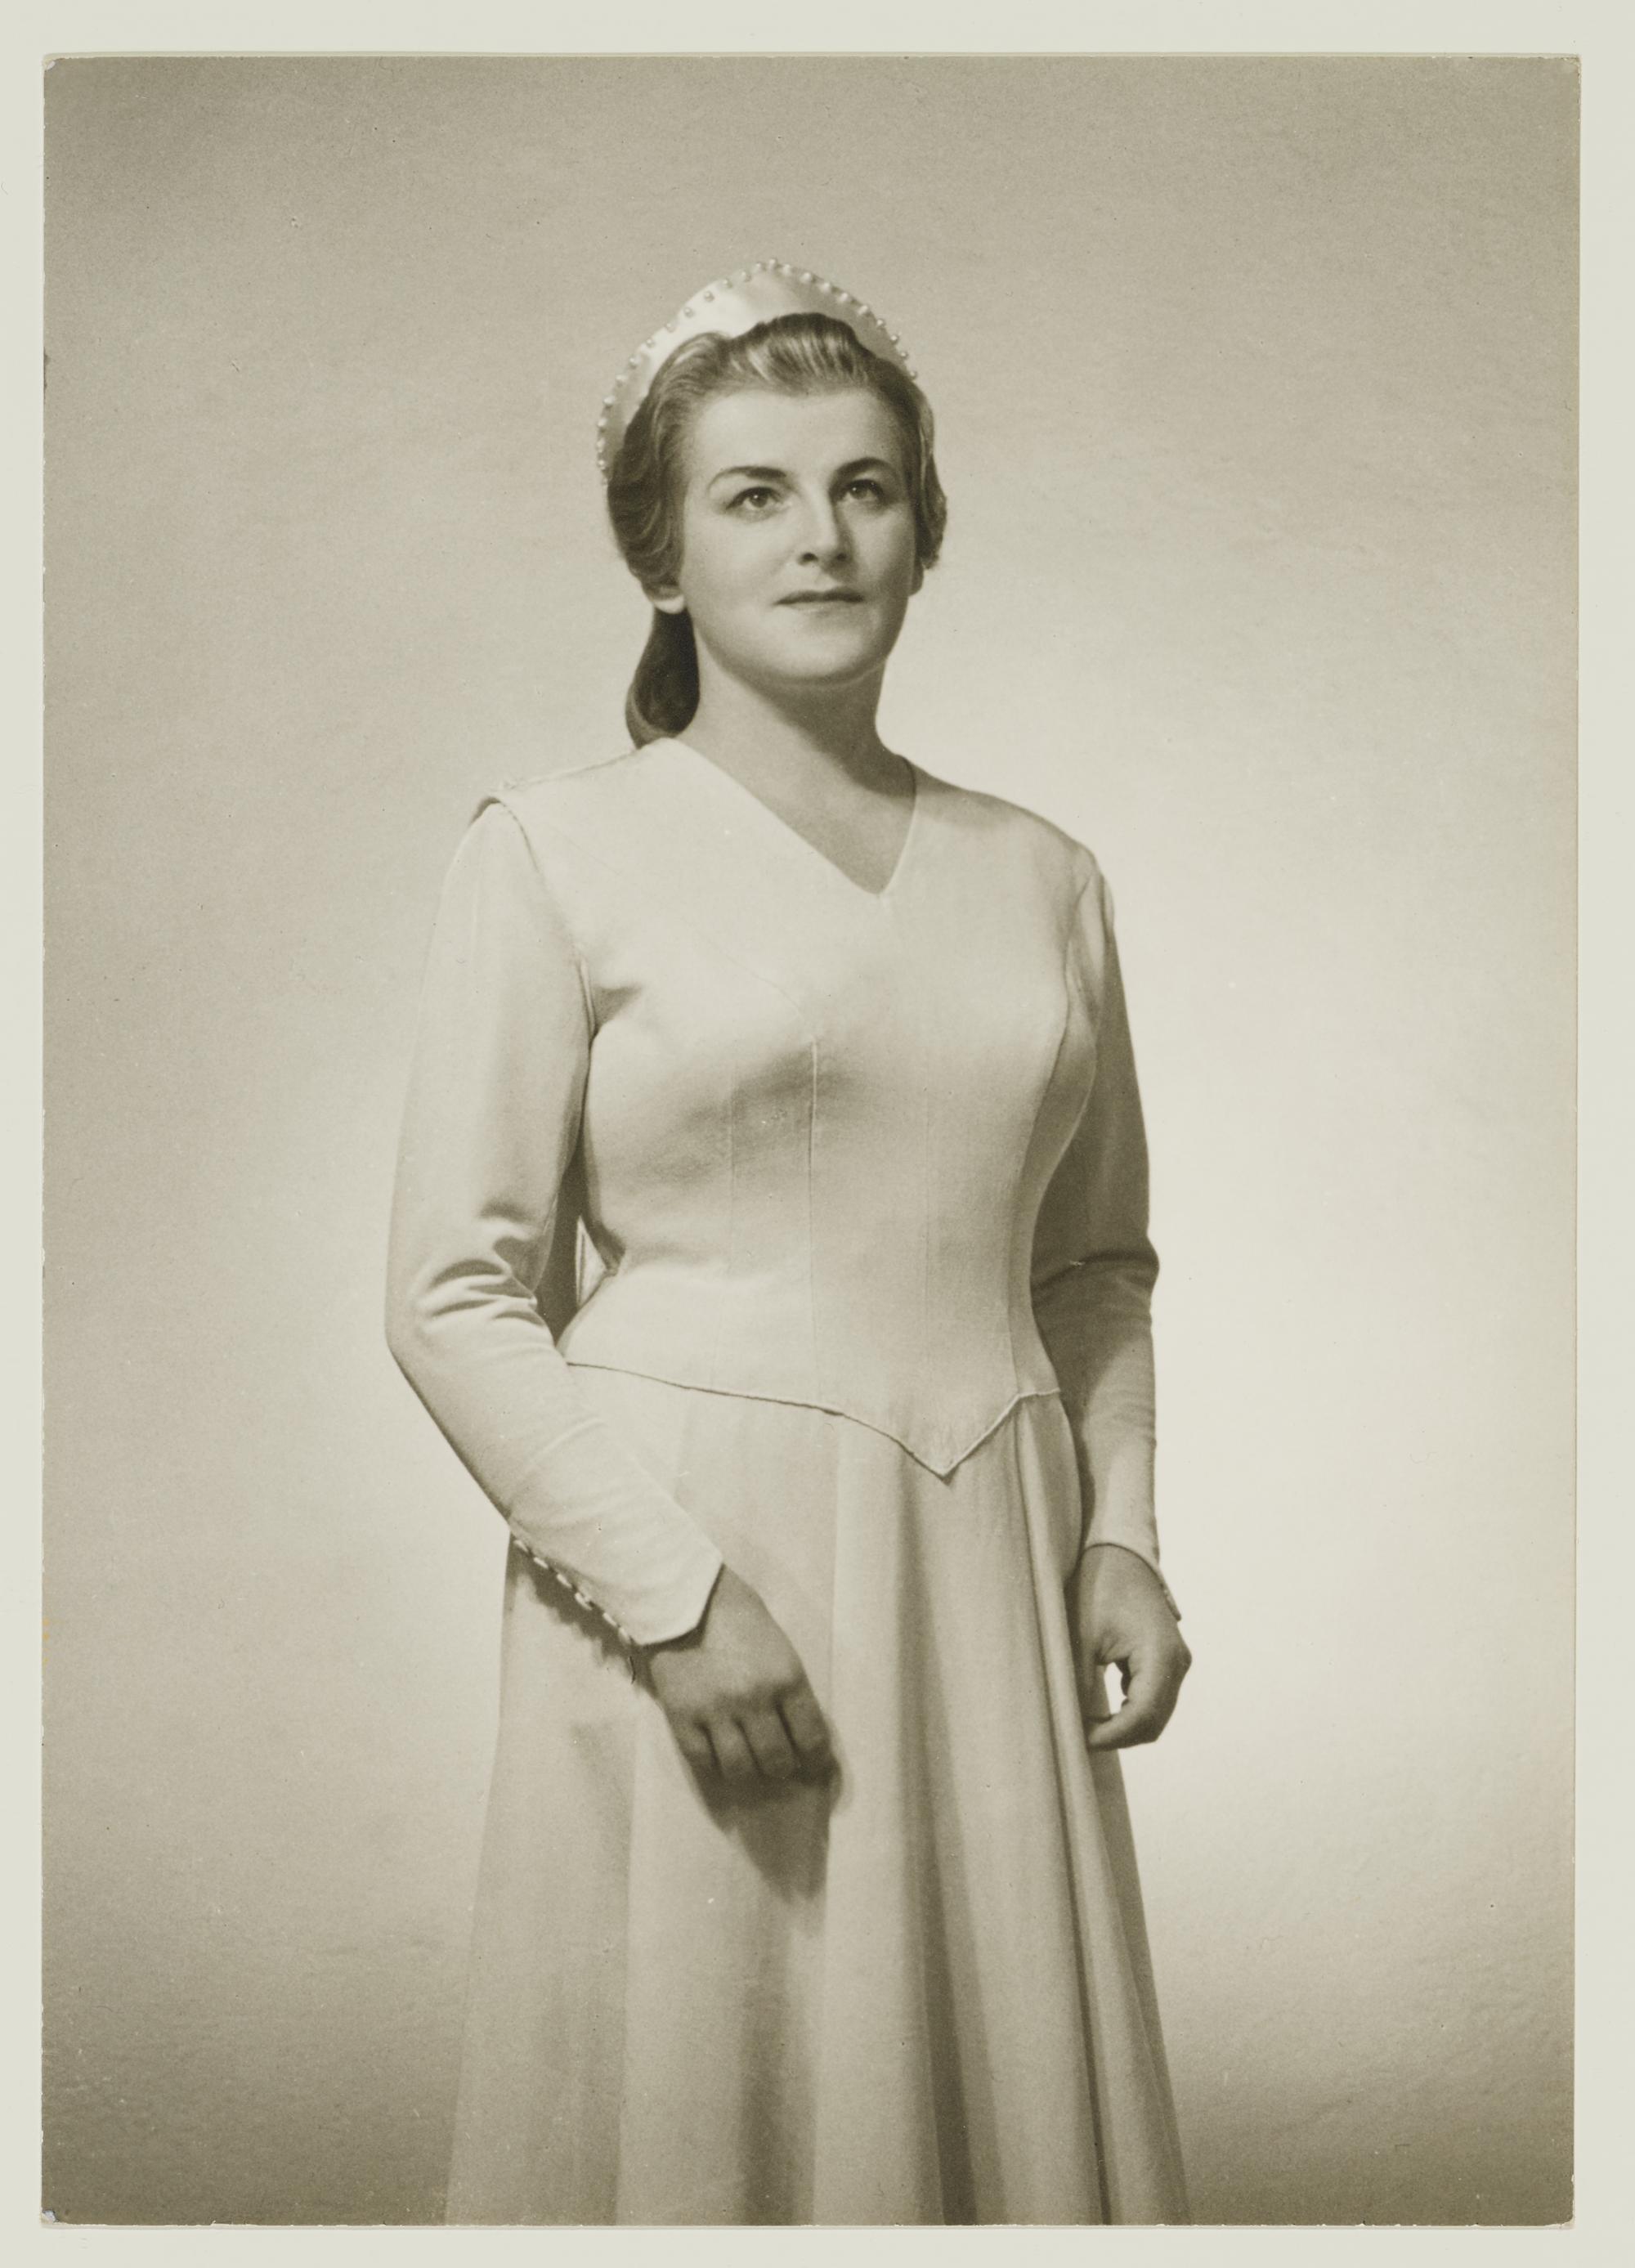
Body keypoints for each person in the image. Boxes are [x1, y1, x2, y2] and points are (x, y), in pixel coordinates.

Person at [385, 260, 1192, 2226]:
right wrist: (669, 1602)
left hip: (988, 1568)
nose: (821, 537)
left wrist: (1122, 1530)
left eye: (864, 488)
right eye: (754, 494)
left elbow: (1091, 1265)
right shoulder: (553, 850)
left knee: (987, 2109)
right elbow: (454, 1291)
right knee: (707, 2103)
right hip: (699, 1568)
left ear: (923, 529)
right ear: (660, 558)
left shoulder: (1043, 875)